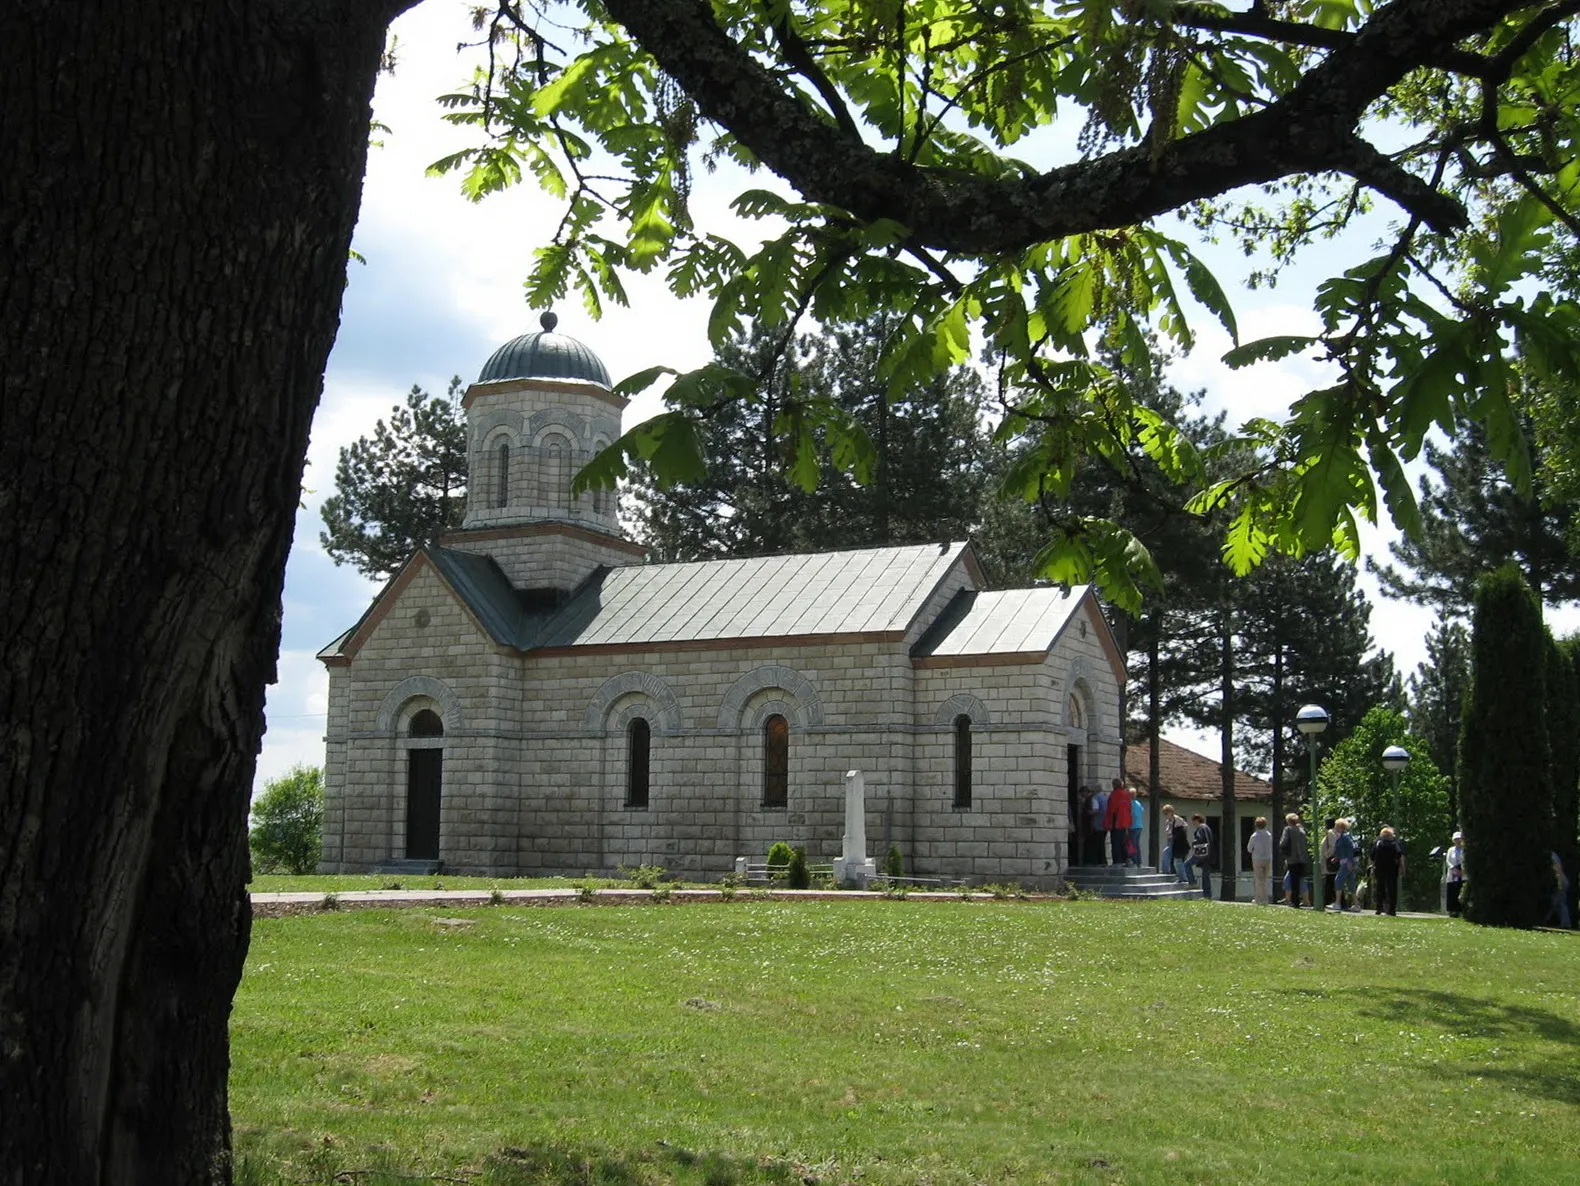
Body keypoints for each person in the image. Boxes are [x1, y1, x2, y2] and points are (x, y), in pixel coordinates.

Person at [1371, 826, 1405, 916]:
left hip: (1379, 868)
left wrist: (1372, 868)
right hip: (1392, 868)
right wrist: (1402, 867)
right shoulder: (1394, 844)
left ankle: (1379, 908)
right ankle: (1392, 910)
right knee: (1392, 889)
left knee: (1379, 887)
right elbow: (1400, 856)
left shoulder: (1377, 843)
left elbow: (1372, 857)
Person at [1279, 813, 1311, 908]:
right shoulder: (1302, 830)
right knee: (1300, 879)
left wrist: (1283, 850)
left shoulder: (1288, 829)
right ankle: (1304, 900)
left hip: (1292, 858)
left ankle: (1294, 901)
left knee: (1293, 881)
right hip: (1303, 859)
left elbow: (1283, 842)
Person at [1182, 813, 1213, 899]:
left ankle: (1192, 882)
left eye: (1194, 822)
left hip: (1201, 852)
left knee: (1186, 864)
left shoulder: (1201, 828)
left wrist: (1193, 843)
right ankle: (1207, 896)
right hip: (1209, 853)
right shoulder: (1207, 828)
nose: (1193, 825)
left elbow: (1200, 839)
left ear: (1196, 820)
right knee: (1205, 875)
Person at [1330, 818, 1358, 912]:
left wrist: (1350, 861)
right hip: (1345, 861)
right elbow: (1342, 850)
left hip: (1347, 862)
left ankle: (1337, 903)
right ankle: (1356, 904)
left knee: (1338, 880)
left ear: (1341, 827)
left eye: (1336, 826)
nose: (1335, 828)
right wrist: (1336, 858)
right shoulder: (1343, 837)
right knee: (1351, 883)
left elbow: (1350, 849)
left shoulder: (1345, 837)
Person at [1104, 777, 1133, 867]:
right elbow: (1129, 808)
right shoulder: (1126, 794)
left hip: (1116, 822)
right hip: (1125, 822)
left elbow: (1111, 810)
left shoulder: (1114, 795)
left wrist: (1107, 823)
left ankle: (1117, 861)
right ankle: (1126, 859)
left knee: (1115, 842)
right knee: (1123, 841)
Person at [1246, 816, 1274, 904]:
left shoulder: (1254, 835)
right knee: (1265, 879)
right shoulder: (1269, 835)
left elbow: (1249, 848)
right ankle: (1260, 898)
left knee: (1258, 879)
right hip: (1268, 858)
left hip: (1257, 858)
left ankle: (1261, 899)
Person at [1548, 851, 1572, 929]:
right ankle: (1565, 923)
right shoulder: (1554, 855)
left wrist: (1560, 882)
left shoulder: (1552, 856)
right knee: (1560, 903)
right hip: (1562, 880)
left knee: (1559, 903)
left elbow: (1558, 869)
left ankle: (1565, 923)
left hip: (1561, 881)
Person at [1444, 832, 1466, 918]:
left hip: (1463, 874)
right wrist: (1453, 869)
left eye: (1459, 839)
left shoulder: (1465, 849)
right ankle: (1452, 911)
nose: (1458, 841)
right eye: (1456, 839)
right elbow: (1448, 861)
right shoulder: (1450, 850)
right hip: (1453, 874)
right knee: (1452, 892)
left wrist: (1462, 870)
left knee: (1461, 891)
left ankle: (1461, 910)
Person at [1321, 817, 1339, 911]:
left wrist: (1327, 855)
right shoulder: (1335, 832)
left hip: (1329, 861)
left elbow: (1333, 846)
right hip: (1331, 861)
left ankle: (1326, 902)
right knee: (1331, 882)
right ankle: (1336, 901)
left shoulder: (1330, 833)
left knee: (1330, 882)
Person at [1087, 784, 1109, 865]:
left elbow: (1095, 810)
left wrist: (1088, 812)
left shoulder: (1095, 798)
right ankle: (1103, 860)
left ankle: (1097, 861)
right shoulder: (1106, 797)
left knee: (1097, 843)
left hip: (1098, 823)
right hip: (1106, 823)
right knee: (1102, 842)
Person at [1159, 804, 1182, 877]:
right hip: (1170, 841)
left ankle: (1182, 876)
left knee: (1178, 860)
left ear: (1171, 812)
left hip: (1177, 842)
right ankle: (1166, 872)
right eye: (1164, 814)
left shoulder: (1177, 819)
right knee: (1167, 855)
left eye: (1166, 813)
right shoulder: (1167, 821)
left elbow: (1183, 828)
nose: (1166, 815)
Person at [1127, 789, 1145, 867]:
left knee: (1133, 845)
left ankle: (1134, 861)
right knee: (1137, 844)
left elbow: (1129, 814)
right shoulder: (1138, 803)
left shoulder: (1130, 803)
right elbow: (1142, 811)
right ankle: (1139, 861)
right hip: (1139, 826)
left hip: (1133, 827)